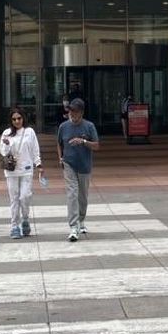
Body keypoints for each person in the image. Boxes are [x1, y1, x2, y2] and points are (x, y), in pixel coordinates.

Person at [56, 98, 99, 241]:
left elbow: (96, 146)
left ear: (81, 112)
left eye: (75, 111)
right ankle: (73, 227)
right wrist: (60, 157)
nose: (72, 114)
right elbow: (59, 143)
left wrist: (83, 141)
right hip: (69, 164)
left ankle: (81, 220)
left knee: (82, 196)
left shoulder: (89, 126)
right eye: (70, 111)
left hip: (84, 165)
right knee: (72, 194)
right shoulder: (63, 126)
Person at [0, 108, 43, 239]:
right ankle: (14, 226)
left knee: (24, 196)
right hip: (11, 170)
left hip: (27, 169)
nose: (17, 121)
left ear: (23, 118)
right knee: (14, 198)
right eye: (14, 119)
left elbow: (35, 149)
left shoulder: (29, 132)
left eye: (19, 118)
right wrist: (7, 144)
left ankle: (25, 219)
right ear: (11, 120)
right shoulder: (6, 133)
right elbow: (3, 152)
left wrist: (38, 164)